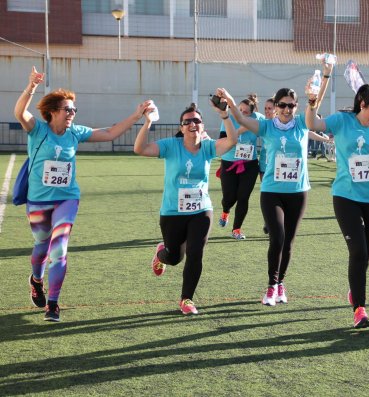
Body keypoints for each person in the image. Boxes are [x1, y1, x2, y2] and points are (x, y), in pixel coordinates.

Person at [14, 66, 151, 322]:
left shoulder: (75, 133)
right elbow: (20, 112)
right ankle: (36, 279)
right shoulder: (38, 130)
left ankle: (53, 304)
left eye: (74, 110)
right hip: (38, 201)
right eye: (68, 109)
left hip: (67, 199)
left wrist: (136, 115)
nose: (72, 114)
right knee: (41, 247)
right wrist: (31, 86)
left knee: (59, 250)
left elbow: (110, 133)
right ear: (53, 112)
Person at [306, 64, 369, 328]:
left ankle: (355, 290)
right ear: (362, 104)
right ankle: (360, 309)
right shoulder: (342, 121)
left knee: (366, 257)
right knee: (358, 251)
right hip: (346, 196)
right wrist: (312, 102)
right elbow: (312, 123)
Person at [216, 84, 331, 307]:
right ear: (276, 107)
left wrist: (324, 77)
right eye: (282, 105)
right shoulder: (267, 127)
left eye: (291, 105)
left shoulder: (301, 123)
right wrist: (229, 100)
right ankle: (271, 285)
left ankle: (281, 285)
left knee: (288, 242)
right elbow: (240, 120)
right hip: (271, 191)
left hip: (298, 192)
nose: (287, 109)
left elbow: (315, 106)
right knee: (277, 237)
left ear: (296, 107)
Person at [133, 102, 237, 315]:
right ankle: (161, 253)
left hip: (201, 210)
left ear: (202, 126)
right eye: (187, 121)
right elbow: (140, 149)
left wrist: (225, 116)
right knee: (174, 258)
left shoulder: (208, 147)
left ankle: (186, 299)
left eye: (196, 121)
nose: (192, 124)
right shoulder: (171, 146)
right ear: (181, 128)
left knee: (195, 253)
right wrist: (148, 122)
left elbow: (232, 141)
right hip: (172, 212)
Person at [217, 94, 265, 240]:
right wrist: (241, 130)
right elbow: (222, 141)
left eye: (246, 112)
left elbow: (270, 129)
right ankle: (225, 210)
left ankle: (236, 229)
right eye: (240, 109)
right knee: (229, 197)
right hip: (229, 163)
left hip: (249, 164)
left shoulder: (258, 118)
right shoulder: (229, 119)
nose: (242, 113)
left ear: (251, 113)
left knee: (243, 197)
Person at [260, 97, 275, 234]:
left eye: (270, 108)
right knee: (267, 195)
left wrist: (323, 138)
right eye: (265, 108)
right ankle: (268, 222)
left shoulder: (282, 125)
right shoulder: (263, 124)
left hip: (278, 167)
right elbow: (245, 126)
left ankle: (274, 224)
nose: (267, 111)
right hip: (264, 165)